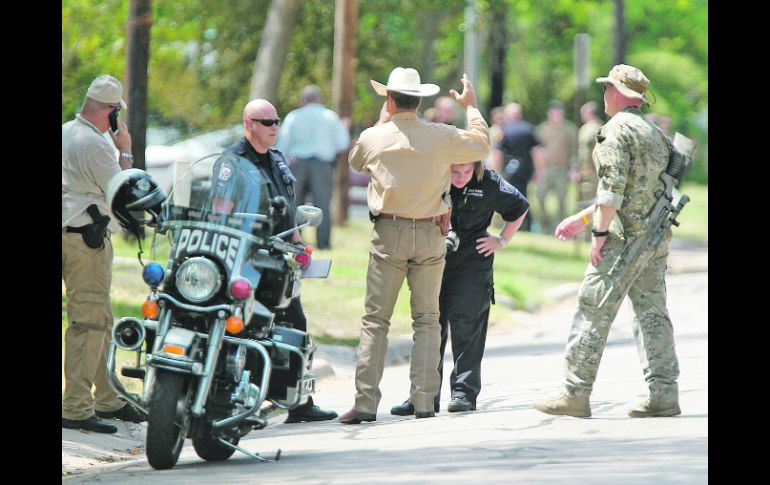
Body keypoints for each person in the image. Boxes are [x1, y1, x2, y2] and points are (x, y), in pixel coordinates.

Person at [339, 67, 490, 424]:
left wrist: (382, 122)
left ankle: (365, 403)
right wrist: (471, 106)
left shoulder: (374, 136)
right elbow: (481, 144)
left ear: (390, 101)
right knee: (427, 319)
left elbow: (355, 162)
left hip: (389, 232)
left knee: (376, 320)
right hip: (429, 232)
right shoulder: (441, 135)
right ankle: (423, 400)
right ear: (419, 101)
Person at [532, 64, 681, 419]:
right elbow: (641, 190)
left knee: (593, 308)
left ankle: (575, 393)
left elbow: (612, 192)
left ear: (616, 92)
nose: (604, 95)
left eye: (606, 88)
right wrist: (582, 218)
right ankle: (664, 393)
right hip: (654, 238)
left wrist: (598, 234)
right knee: (652, 313)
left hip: (623, 238)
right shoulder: (654, 132)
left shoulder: (615, 131)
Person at [213, 98, 338, 423]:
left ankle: (297, 403)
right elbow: (221, 211)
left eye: (277, 121)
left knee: (295, 323)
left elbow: (287, 209)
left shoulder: (278, 159)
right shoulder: (232, 161)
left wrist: (298, 245)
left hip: (278, 258)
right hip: (246, 259)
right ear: (249, 124)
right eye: (267, 122)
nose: (274, 128)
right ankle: (235, 401)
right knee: (245, 326)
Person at [390, 160, 528, 416]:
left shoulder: (488, 181)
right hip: (433, 258)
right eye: (455, 171)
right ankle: (423, 395)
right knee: (430, 324)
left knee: (468, 324)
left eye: (467, 171)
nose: (461, 177)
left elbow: (519, 207)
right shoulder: (432, 176)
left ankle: (464, 393)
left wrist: (501, 240)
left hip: (473, 261)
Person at [62, 74, 147, 433]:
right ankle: (77, 407)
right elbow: (124, 189)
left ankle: (109, 398)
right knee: (89, 323)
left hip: (71, 234)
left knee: (101, 318)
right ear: (111, 111)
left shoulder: (67, 131)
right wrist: (124, 149)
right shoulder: (96, 145)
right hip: (86, 241)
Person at [274, 85, 351, 249]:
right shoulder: (330, 116)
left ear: (303, 100)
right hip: (322, 164)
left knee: (294, 204)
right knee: (323, 205)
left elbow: (283, 145)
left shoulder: (294, 116)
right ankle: (323, 243)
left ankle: (293, 240)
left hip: (298, 163)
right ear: (319, 99)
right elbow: (343, 143)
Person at [492, 102, 541, 231]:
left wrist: (494, 171)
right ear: (520, 115)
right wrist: (538, 171)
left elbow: (497, 152)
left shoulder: (504, 130)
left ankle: (515, 223)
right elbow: (536, 151)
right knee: (524, 194)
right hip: (526, 169)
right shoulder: (528, 128)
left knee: (511, 196)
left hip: (510, 169)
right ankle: (526, 224)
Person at [533, 100, 577, 233]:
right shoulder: (541, 129)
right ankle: (545, 225)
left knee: (562, 200)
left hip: (562, 169)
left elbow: (574, 151)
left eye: (559, 112)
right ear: (549, 113)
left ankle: (559, 228)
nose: (556, 114)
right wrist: (536, 170)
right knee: (539, 195)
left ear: (562, 113)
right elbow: (535, 150)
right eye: (554, 112)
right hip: (545, 169)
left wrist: (574, 168)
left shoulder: (570, 129)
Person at [573, 101, 604, 207]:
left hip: (593, 174)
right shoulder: (585, 128)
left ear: (590, 113)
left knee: (591, 204)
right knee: (583, 203)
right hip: (584, 174)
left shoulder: (599, 129)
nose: (581, 115)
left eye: (583, 112)